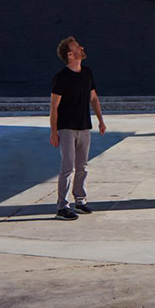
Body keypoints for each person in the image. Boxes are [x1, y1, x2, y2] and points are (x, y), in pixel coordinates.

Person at [50, 36, 106, 220]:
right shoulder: (61, 77)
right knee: (67, 167)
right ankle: (62, 207)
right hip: (66, 128)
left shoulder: (87, 73)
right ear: (69, 54)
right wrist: (53, 132)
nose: (81, 47)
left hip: (84, 127)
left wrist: (100, 120)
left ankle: (80, 201)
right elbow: (54, 106)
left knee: (82, 166)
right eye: (76, 46)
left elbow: (94, 98)